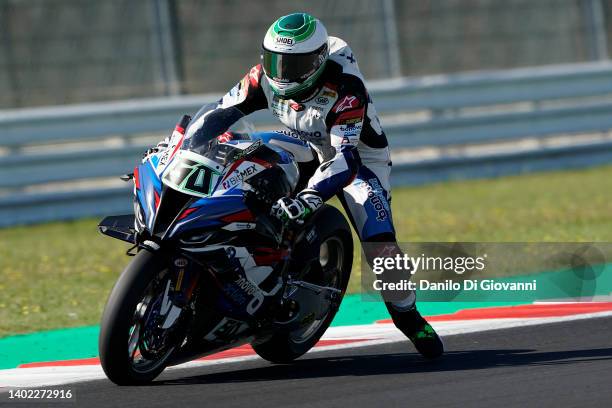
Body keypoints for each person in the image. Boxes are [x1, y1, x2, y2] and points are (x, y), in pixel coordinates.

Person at [148, 12, 443, 359]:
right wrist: (183, 148)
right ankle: (243, 250)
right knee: (241, 153)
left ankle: (408, 316)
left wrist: (309, 197)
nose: (283, 73)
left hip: (358, 161)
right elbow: (220, 113)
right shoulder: (263, 78)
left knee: (380, 243)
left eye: (295, 63)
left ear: (318, 61)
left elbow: (345, 158)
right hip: (304, 142)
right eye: (277, 61)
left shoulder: (345, 90)